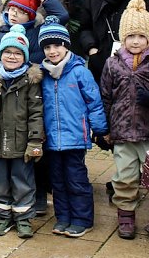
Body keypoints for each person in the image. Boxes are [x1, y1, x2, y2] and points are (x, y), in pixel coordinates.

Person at [100, 0, 149, 239]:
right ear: (123, 37)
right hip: (122, 132)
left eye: (141, 36)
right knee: (124, 177)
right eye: (131, 36)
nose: (136, 41)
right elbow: (106, 97)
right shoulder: (112, 64)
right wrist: (105, 127)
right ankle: (126, 215)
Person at [39, 16, 108, 238]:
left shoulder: (79, 71)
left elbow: (94, 102)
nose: (52, 51)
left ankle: (82, 219)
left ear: (66, 45)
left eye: (57, 45)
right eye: (47, 47)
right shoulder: (42, 75)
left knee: (76, 179)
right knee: (57, 181)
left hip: (75, 137)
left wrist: (99, 129)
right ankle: (64, 217)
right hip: (51, 138)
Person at [0, 25, 44, 239]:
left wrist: (35, 141)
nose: (12, 56)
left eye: (18, 53)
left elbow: (36, 112)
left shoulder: (30, 80)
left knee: (22, 181)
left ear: (25, 57)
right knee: (0, 182)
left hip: (21, 141)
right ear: (0, 54)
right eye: (8, 52)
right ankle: (3, 216)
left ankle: (24, 218)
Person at [0, 0, 70, 65]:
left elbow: (62, 15)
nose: (14, 14)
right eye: (12, 9)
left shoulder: (40, 32)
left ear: (30, 17)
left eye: (22, 12)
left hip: (36, 78)